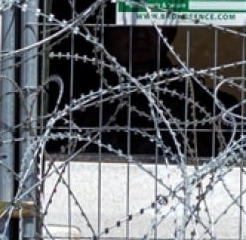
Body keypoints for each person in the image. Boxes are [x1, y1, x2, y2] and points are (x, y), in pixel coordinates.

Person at [87, 24, 239, 159]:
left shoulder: (215, 108)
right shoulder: (84, 106)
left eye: (152, 23)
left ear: (171, 30)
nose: (141, 35)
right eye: (125, 24)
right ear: (103, 30)